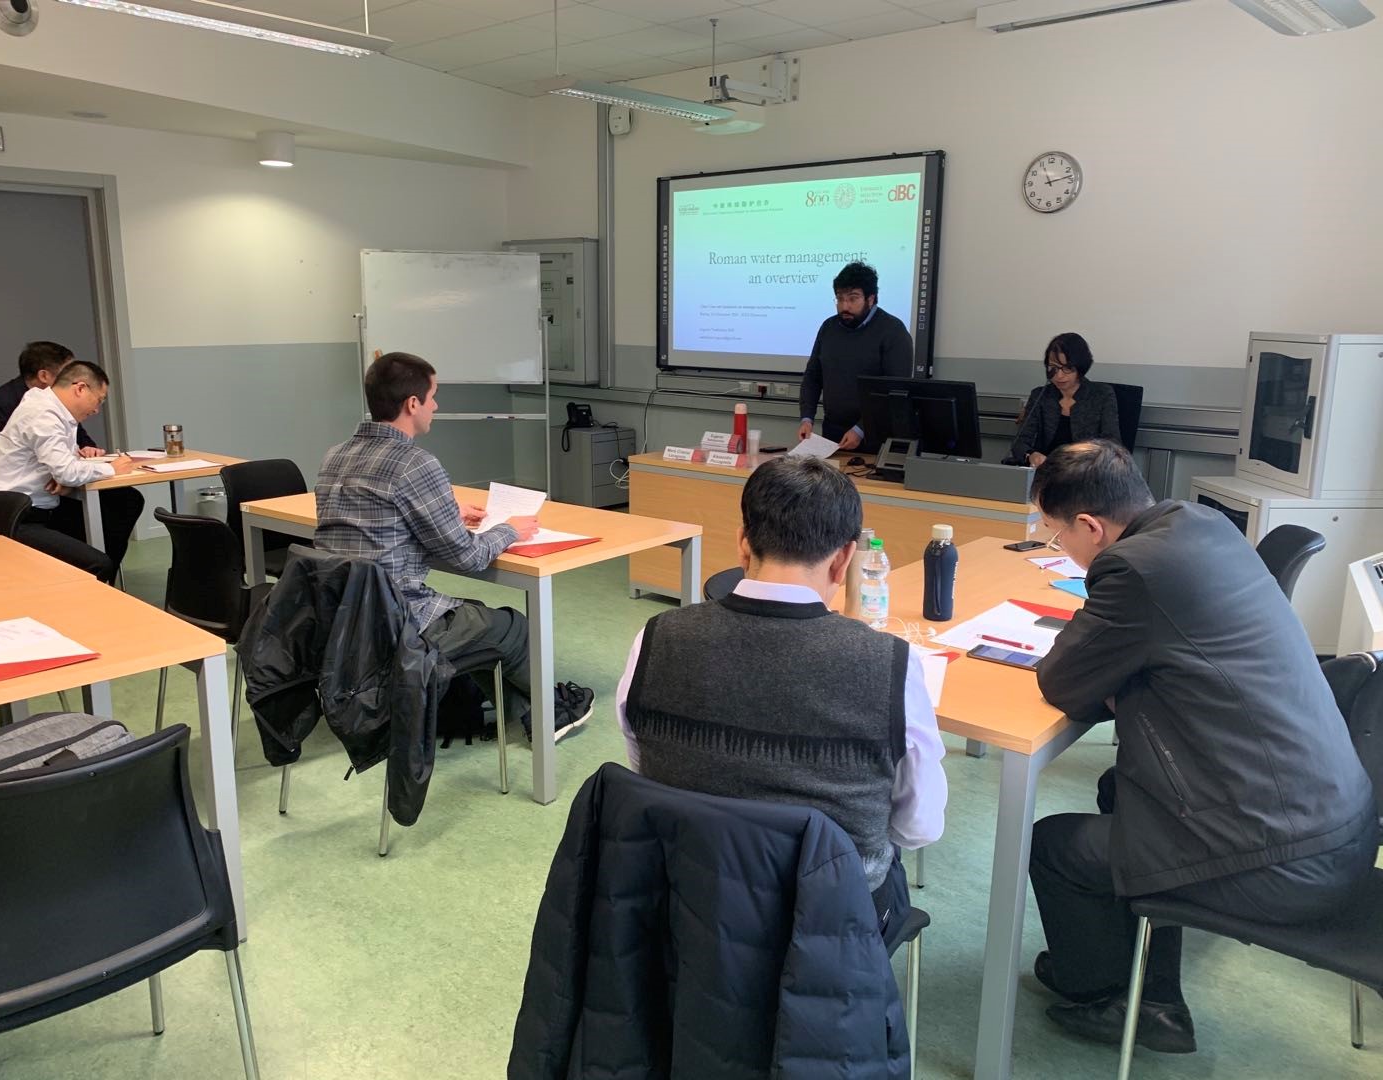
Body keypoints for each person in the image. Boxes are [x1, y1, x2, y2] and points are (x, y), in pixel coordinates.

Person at [1027, 442, 1377, 1054]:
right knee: (1120, 786)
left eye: (1058, 536)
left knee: (1054, 845)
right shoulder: (1202, 525)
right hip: (1337, 825)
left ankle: (1107, 993)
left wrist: (1118, 679)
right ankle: (1150, 991)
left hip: (1282, 861)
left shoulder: (1132, 569)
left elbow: (1062, 681)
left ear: (1090, 526)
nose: (1062, 547)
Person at [616, 455, 947, 952]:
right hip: (831, 927)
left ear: (743, 543)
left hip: (684, 904)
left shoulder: (655, 638)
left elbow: (646, 770)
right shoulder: (892, 665)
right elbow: (918, 827)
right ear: (844, 559)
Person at [315, 351, 594, 744]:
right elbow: (469, 557)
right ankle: (550, 713)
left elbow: (375, 521)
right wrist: (510, 530)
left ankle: (528, 711)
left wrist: (445, 511)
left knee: (475, 615)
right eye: (433, 397)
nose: (436, 406)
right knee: (511, 627)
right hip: (398, 624)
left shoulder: (335, 455)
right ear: (413, 404)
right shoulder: (415, 463)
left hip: (343, 620)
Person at [0, 360, 143, 583]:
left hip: (31, 503)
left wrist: (66, 470)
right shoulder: (43, 414)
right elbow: (66, 472)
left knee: (124, 500)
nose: (96, 410)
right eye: (99, 400)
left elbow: (61, 466)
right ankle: (92, 591)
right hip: (12, 515)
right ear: (80, 388)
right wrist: (111, 468)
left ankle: (98, 583)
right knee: (97, 563)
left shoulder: (51, 407)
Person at [798, 261, 915, 452]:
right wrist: (807, 418)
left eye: (853, 299)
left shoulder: (893, 331)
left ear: (871, 299)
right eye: (840, 299)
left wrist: (860, 429)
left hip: (876, 437)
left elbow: (894, 390)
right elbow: (813, 376)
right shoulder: (829, 328)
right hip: (833, 433)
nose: (845, 306)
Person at [0, 341, 99, 477]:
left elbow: (81, 441)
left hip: (58, 480)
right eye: (68, 375)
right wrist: (54, 473)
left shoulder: (59, 402)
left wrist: (88, 451)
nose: (75, 381)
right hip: (14, 487)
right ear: (44, 376)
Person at [1009, 333, 1121, 467]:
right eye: (1053, 367)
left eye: (1067, 368)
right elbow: (1020, 442)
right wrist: (1030, 455)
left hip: (1086, 472)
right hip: (1045, 471)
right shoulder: (1040, 395)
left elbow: (1112, 444)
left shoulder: (1101, 394)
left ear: (1080, 368)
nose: (1059, 375)